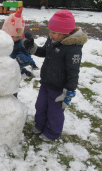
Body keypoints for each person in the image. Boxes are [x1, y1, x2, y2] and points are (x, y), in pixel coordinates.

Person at [23, 10, 88, 141]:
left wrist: (69, 91)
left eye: (54, 32)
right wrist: (32, 47)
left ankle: (52, 132)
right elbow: (43, 52)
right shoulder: (53, 40)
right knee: (40, 106)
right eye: (50, 31)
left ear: (65, 33)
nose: (50, 34)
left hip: (59, 88)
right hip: (46, 82)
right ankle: (40, 125)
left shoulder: (73, 49)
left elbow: (73, 72)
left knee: (54, 112)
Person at [2, 7, 38, 78]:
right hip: (10, 60)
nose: (15, 39)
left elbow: (27, 54)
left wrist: (31, 62)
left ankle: (31, 66)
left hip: (18, 56)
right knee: (16, 62)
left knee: (25, 58)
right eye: (12, 36)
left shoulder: (20, 42)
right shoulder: (3, 42)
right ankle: (24, 71)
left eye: (18, 37)